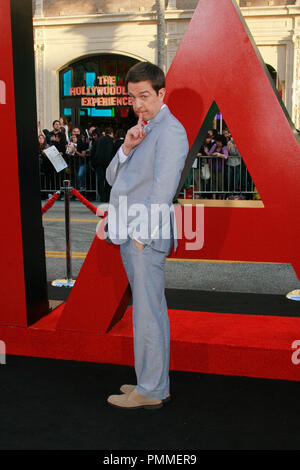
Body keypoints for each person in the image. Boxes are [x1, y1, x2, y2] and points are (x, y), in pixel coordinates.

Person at [105, 61, 189, 410]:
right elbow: (112, 177)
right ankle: (153, 382)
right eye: (133, 97)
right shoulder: (143, 128)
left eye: (144, 96)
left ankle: (151, 389)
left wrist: (141, 236)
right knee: (145, 310)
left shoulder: (170, 130)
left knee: (148, 313)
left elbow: (163, 188)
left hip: (144, 235)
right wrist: (126, 146)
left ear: (161, 93)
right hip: (132, 232)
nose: (138, 104)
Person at [91, 127, 114, 202]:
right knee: (108, 180)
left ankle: (102, 196)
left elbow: (92, 152)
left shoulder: (98, 140)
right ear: (111, 133)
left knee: (100, 180)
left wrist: (93, 163)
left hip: (99, 163)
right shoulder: (112, 141)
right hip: (109, 163)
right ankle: (107, 196)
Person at [209, 133, 228, 199]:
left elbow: (226, 156)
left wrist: (218, 154)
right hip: (213, 167)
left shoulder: (224, 148)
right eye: (217, 141)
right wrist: (213, 154)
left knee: (220, 183)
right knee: (213, 182)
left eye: (219, 142)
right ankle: (214, 197)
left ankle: (220, 198)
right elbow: (210, 153)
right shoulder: (214, 146)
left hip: (220, 168)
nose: (217, 143)